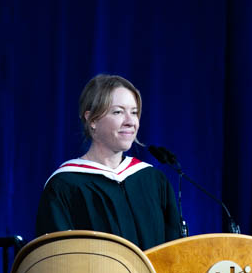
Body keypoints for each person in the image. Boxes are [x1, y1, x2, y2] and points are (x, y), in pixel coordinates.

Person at [36, 74, 182, 250]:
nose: (130, 122)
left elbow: (174, 253)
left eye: (134, 112)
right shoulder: (65, 186)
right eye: (118, 112)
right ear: (92, 120)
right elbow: (57, 258)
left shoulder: (153, 180)